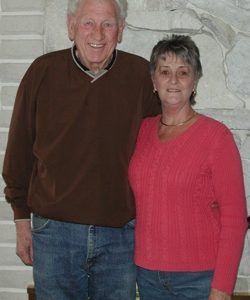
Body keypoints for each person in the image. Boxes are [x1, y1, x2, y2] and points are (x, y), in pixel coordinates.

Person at [2, 0, 160, 299]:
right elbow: (18, 152)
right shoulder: (42, 72)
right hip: (54, 234)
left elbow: (161, 148)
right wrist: (22, 219)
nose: (97, 33)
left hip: (120, 235)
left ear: (121, 30)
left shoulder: (140, 75)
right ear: (71, 26)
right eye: (88, 22)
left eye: (108, 24)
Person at [128, 35, 247, 300]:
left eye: (183, 72)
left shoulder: (216, 137)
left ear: (194, 82)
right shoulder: (142, 130)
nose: (173, 80)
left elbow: (235, 218)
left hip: (198, 280)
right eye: (165, 71)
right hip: (147, 274)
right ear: (154, 81)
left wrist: (222, 288)